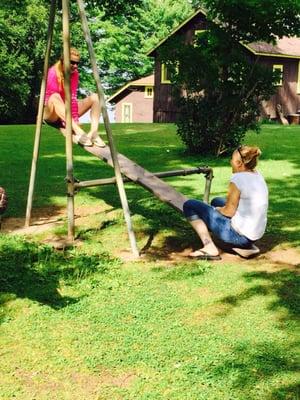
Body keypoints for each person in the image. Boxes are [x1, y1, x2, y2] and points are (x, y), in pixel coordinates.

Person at [183, 145, 268, 260]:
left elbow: (229, 212)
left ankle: (209, 246)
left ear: (239, 163)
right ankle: (245, 246)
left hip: (239, 236)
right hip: (255, 234)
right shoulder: (257, 175)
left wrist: (217, 210)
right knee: (216, 200)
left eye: (232, 160)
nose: (230, 162)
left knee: (189, 205)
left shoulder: (238, 179)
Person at [44, 47, 105, 147]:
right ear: (63, 61)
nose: (75, 66)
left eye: (77, 63)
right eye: (72, 62)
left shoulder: (75, 74)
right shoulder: (53, 73)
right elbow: (49, 100)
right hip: (52, 114)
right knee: (55, 96)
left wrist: (75, 120)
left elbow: (72, 98)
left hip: (66, 110)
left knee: (96, 97)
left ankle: (94, 133)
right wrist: (74, 127)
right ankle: (78, 131)